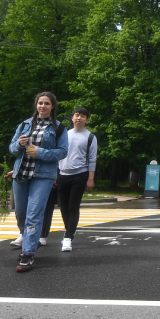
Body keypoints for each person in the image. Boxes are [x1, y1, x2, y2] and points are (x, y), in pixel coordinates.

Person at [8, 92, 69, 272]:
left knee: (34, 213)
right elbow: (12, 148)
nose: (42, 106)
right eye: (40, 103)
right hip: (22, 174)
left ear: (52, 107)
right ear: (36, 105)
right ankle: (26, 237)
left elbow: (63, 152)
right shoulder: (25, 124)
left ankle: (28, 253)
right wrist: (19, 144)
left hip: (43, 176)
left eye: (46, 104)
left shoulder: (59, 128)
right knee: (20, 214)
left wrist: (40, 152)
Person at [55, 107, 97, 252]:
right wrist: (55, 174)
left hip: (80, 175)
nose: (79, 118)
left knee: (73, 206)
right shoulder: (64, 135)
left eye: (82, 116)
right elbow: (57, 155)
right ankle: (70, 230)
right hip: (62, 174)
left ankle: (67, 237)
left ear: (87, 120)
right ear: (72, 118)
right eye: (76, 115)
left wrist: (90, 179)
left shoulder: (90, 137)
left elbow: (92, 159)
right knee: (63, 206)